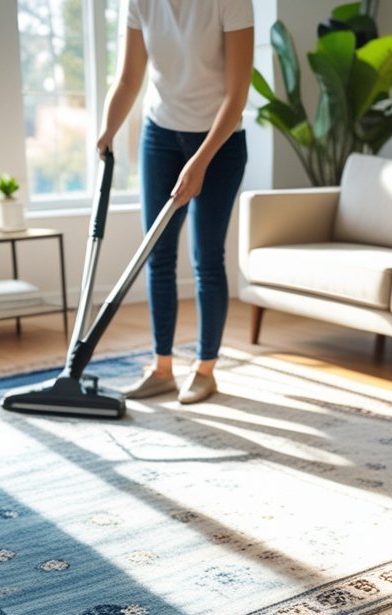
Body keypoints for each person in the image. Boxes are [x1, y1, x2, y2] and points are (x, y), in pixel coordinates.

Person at [96, 0, 254, 404]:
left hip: (220, 140)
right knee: (158, 254)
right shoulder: (140, 3)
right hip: (161, 136)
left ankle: (205, 369)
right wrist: (107, 129)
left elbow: (237, 94)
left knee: (207, 256)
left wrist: (200, 161)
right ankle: (162, 367)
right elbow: (130, 78)